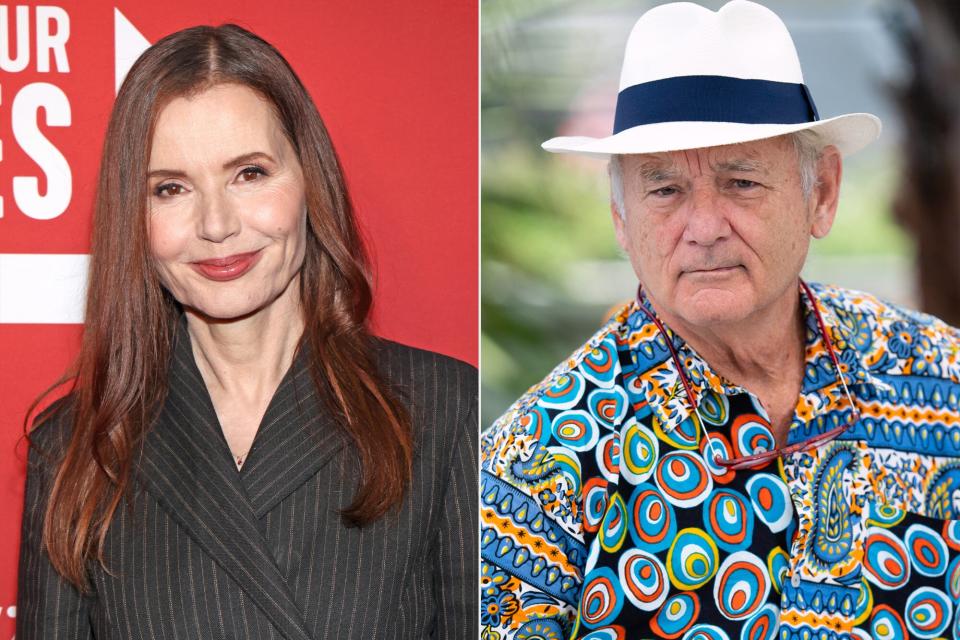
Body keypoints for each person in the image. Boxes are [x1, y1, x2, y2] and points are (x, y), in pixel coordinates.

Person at [480, 2, 960, 639]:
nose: (704, 229)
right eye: (665, 190)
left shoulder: (939, 374)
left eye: (740, 182)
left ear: (822, 194)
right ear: (622, 218)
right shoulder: (536, 464)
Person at [17, 24, 477, 640]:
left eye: (249, 174)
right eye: (171, 188)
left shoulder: (444, 412)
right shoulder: (77, 447)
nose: (215, 224)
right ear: (134, 214)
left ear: (309, 179)